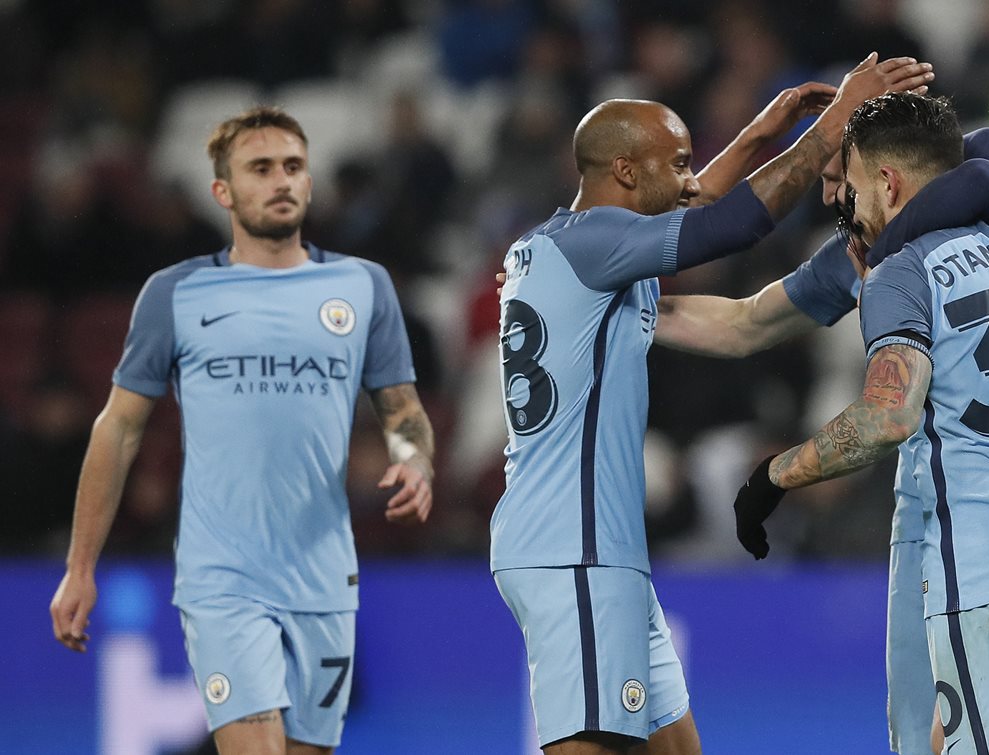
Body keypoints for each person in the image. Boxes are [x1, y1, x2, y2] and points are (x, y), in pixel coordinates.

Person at [655, 124, 989, 754]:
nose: (828, 200)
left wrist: (772, 477)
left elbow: (886, 415)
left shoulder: (900, 267)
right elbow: (745, 321)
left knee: (945, 731)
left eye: (835, 180)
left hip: (983, 541)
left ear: (885, 179)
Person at [491, 54, 935, 754]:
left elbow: (696, 205)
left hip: (594, 549)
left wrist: (763, 131)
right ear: (626, 173)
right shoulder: (601, 247)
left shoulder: (561, 247)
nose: (690, 178)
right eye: (677, 162)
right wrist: (832, 126)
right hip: (573, 549)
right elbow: (729, 225)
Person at [48, 106, 435, 755]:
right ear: (223, 191)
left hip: (324, 574)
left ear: (309, 183)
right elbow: (119, 429)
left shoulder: (364, 286)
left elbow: (403, 410)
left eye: (293, 167)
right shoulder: (176, 293)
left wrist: (413, 460)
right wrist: (79, 565)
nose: (281, 180)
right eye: (261, 168)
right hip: (222, 573)